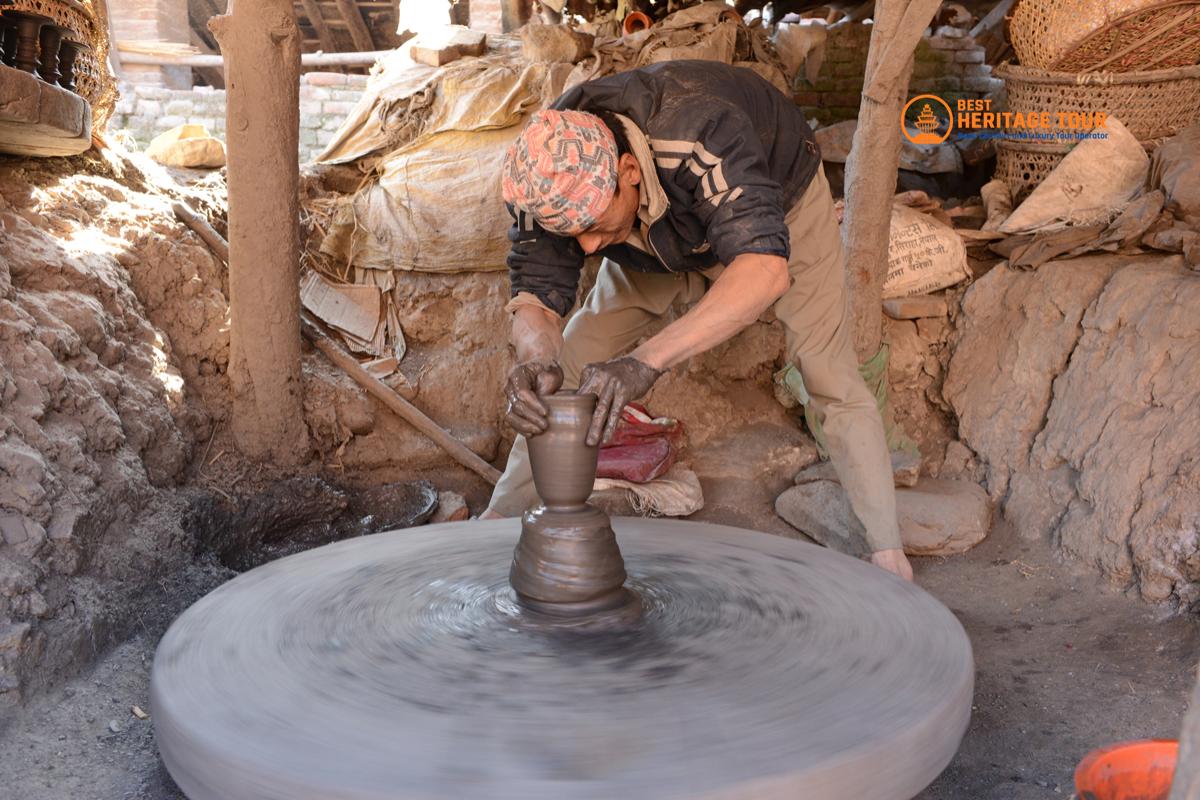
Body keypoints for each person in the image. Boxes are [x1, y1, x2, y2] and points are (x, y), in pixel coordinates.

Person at [481, 60, 912, 581]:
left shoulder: (701, 134)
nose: (588, 248)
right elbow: (536, 302)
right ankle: (498, 520)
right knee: (568, 362)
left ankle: (888, 553)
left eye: (593, 227)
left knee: (827, 371)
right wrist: (536, 358)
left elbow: (764, 271)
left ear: (628, 173)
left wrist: (644, 362)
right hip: (654, 240)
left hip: (779, 206)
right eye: (575, 237)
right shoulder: (545, 174)